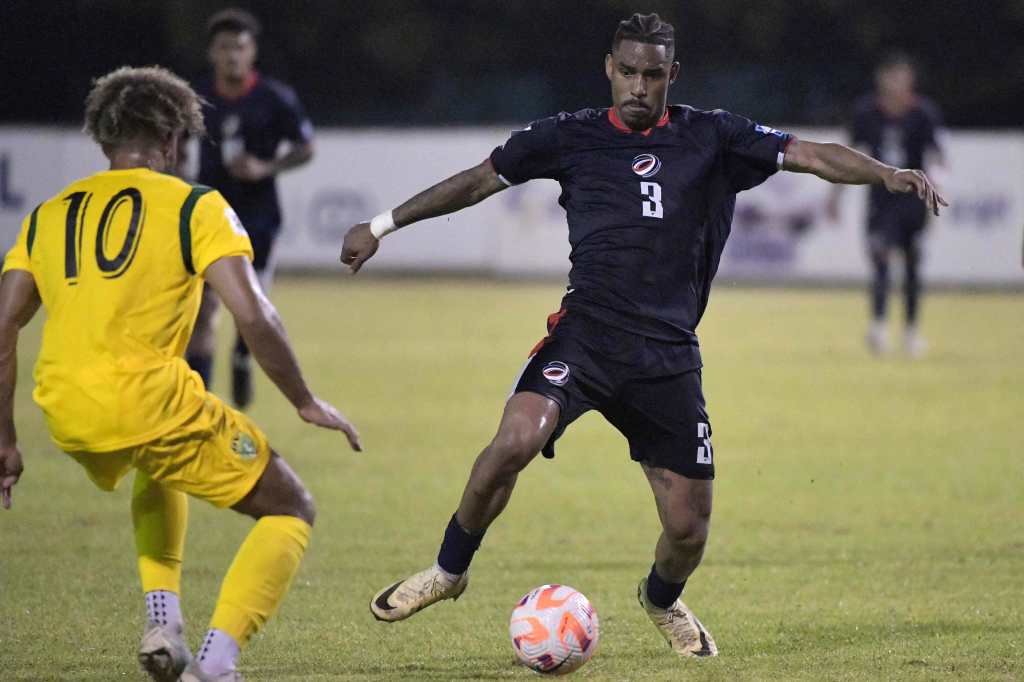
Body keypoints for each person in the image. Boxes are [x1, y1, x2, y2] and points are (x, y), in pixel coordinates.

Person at [341, 13, 944, 659]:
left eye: (652, 75)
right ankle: (448, 571)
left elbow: (810, 153)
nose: (637, 86)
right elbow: (476, 180)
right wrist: (381, 225)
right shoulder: (568, 136)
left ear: (671, 75)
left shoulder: (712, 135)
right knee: (513, 441)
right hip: (587, 338)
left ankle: (660, 600)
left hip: (666, 359)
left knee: (688, 530)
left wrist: (884, 173)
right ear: (609, 68)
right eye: (627, 71)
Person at [0, 66, 360, 682]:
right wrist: (303, 399)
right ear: (173, 140)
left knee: (155, 461)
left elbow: (3, 327)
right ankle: (216, 667)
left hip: (64, 410)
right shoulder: (196, 205)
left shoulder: (47, 214)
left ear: (104, 138)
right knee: (290, 508)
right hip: (149, 402)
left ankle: (163, 622)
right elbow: (253, 312)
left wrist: (6, 440)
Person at [187, 7, 315, 408]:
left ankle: (243, 353)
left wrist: (265, 167)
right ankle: (198, 405)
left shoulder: (275, 98)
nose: (232, 56)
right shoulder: (196, 98)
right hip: (207, 220)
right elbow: (172, 145)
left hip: (258, 222)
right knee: (203, 313)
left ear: (252, 51)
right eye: (224, 48)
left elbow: (305, 147)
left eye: (239, 48)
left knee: (251, 311)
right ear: (212, 53)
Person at [829, 53, 945, 356]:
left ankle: (910, 332)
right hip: (881, 199)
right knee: (880, 261)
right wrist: (835, 196)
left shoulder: (924, 113)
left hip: (914, 202)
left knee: (912, 265)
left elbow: (936, 156)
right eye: (890, 75)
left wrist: (937, 189)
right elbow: (848, 154)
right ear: (881, 79)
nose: (895, 82)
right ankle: (878, 328)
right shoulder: (866, 112)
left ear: (910, 79)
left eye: (901, 76)